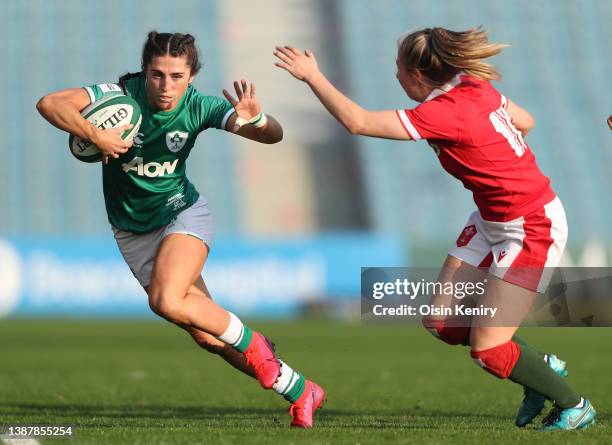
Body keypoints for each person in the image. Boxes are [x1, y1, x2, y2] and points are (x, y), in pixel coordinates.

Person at [274, 27, 595, 431]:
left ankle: (575, 405)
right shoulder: (472, 87)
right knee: (443, 322)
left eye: (398, 68)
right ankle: (538, 368)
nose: (395, 76)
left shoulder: (444, 112)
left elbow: (356, 122)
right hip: (490, 218)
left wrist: (312, 76)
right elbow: (525, 121)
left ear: (418, 76)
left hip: (531, 225)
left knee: (488, 349)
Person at [37, 31, 324, 428]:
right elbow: (49, 103)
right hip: (131, 229)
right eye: (157, 75)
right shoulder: (118, 95)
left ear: (191, 76)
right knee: (208, 336)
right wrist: (94, 134)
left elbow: (272, 135)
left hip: (181, 214)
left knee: (167, 300)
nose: (166, 85)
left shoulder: (199, 106)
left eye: (176, 76)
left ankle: (256, 345)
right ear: (145, 71)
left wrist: (256, 118)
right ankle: (300, 389)